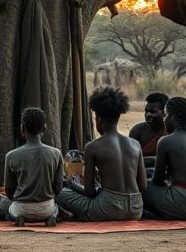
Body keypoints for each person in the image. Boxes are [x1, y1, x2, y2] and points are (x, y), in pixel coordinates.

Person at [56, 87, 145, 221]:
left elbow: (89, 192)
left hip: (108, 209)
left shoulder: (93, 147)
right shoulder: (135, 144)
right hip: (136, 208)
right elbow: (143, 186)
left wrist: (74, 184)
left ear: (99, 119)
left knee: (61, 194)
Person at [0, 107, 65, 227]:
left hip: (21, 208)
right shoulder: (56, 153)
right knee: (56, 207)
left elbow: (9, 191)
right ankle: (51, 217)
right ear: (44, 128)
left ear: (22, 128)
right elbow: (58, 188)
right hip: (46, 208)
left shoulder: (11, 155)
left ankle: (18, 217)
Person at [143, 97, 186, 220]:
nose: (164, 119)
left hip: (184, 203)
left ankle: (158, 213)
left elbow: (157, 181)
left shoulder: (165, 141)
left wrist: (147, 178)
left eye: (166, 116)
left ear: (173, 118)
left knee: (144, 186)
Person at [128, 92, 169, 169]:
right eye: (146, 111)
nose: (148, 115)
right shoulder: (138, 130)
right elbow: (130, 159)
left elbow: (172, 160)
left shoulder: (170, 132)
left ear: (165, 113)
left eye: (153, 112)